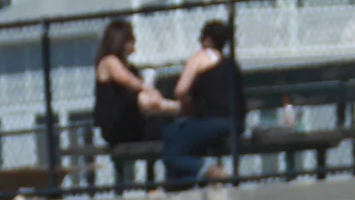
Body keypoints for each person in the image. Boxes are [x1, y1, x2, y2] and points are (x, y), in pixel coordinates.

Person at [162, 20, 243, 188]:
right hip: (235, 123)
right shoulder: (232, 64)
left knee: (171, 148)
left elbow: (181, 90)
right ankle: (188, 184)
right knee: (182, 144)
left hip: (210, 121)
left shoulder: (200, 57)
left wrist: (188, 105)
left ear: (207, 40)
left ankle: (207, 170)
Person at [93, 17, 176, 152]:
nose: (135, 42)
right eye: (131, 39)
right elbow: (128, 81)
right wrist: (150, 91)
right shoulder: (109, 61)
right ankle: (178, 108)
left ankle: (177, 111)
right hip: (117, 123)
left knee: (169, 130)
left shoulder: (131, 67)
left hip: (135, 120)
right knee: (146, 100)